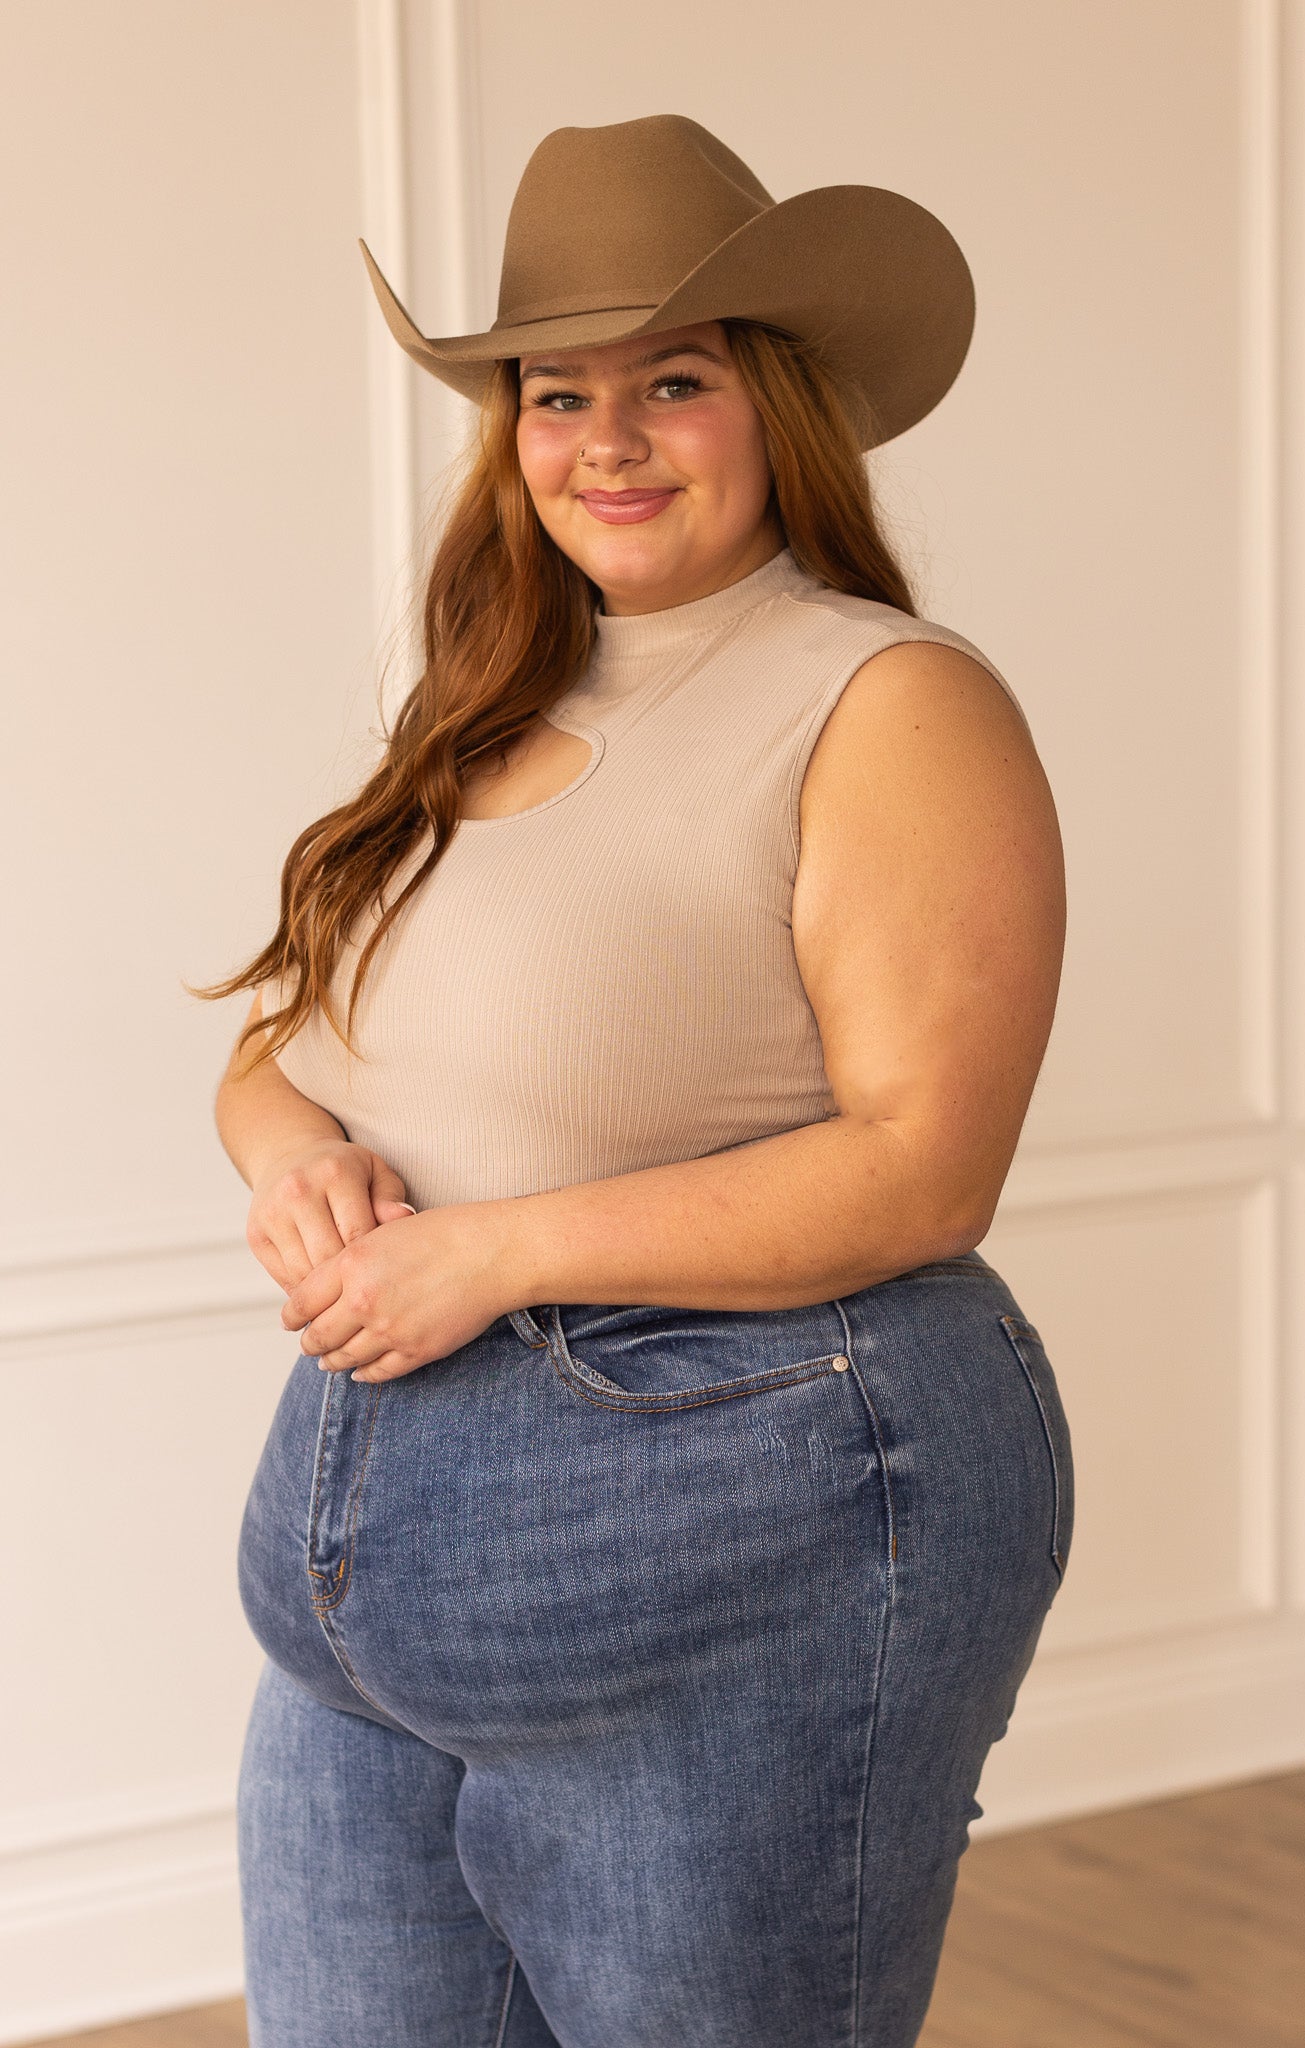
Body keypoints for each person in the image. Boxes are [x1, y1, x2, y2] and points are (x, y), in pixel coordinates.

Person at [202, 113, 1073, 2048]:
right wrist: (298, 1170)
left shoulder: (882, 698)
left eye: (670, 383)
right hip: (364, 1607)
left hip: (743, 1559)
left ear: (775, 410)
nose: (605, 440)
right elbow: (286, 1043)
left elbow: (925, 1171)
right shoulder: (487, 704)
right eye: (553, 389)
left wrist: (488, 1254)